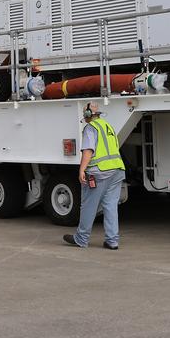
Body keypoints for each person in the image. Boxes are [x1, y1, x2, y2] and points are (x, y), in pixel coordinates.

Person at [63, 103, 125, 250]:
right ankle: (112, 241)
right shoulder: (108, 126)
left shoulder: (91, 128)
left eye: (84, 114)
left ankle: (81, 239)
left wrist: (82, 170)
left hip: (99, 172)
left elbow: (88, 151)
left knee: (88, 206)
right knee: (110, 206)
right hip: (117, 171)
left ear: (88, 115)